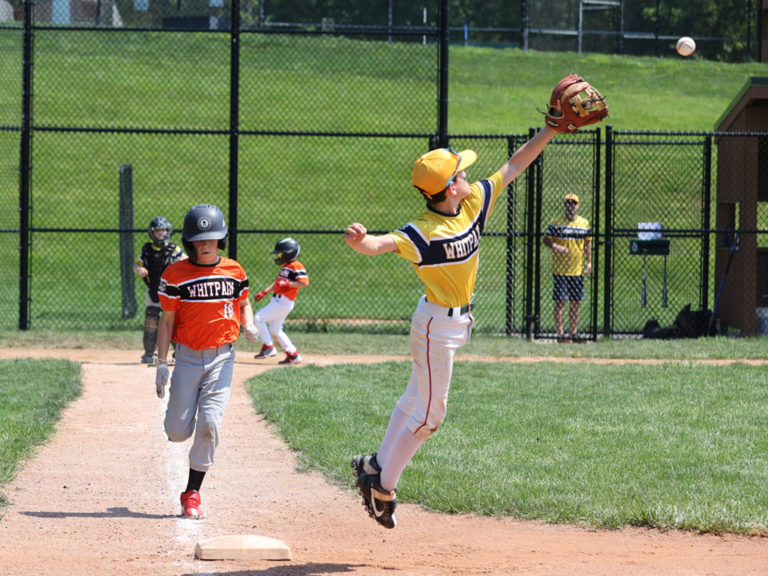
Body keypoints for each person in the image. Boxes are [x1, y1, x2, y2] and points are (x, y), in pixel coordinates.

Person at [343, 125, 558, 529]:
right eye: (459, 174)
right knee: (430, 416)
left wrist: (550, 129)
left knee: (414, 398)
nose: (466, 177)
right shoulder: (423, 231)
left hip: (455, 324)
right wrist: (361, 241)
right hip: (434, 328)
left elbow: (514, 164)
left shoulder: (474, 201)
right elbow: (381, 244)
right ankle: (382, 487)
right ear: (447, 188)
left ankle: (373, 464)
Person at [154, 203, 258, 519]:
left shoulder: (234, 271)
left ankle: (192, 493)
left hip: (222, 358)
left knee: (210, 424)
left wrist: (249, 323)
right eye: (199, 240)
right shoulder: (175, 275)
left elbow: (244, 303)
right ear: (189, 243)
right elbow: (167, 321)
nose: (205, 245)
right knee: (177, 432)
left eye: (211, 239)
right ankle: (180, 426)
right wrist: (161, 362)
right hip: (186, 358)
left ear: (220, 240)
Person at [133, 216, 185, 364]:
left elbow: (185, 260)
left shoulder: (174, 248)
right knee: (151, 320)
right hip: (153, 290)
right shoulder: (147, 249)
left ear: (168, 231)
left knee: (173, 322)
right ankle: (149, 354)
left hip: (171, 292)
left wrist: (178, 264)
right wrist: (139, 269)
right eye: (157, 231)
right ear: (152, 233)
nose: (160, 233)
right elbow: (136, 264)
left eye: (163, 230)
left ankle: (179, 353)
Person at [542, 193, 592, 343]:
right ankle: (561, 334)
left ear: (578, 206)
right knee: (560, 302)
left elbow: (588, 244)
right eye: (568, 203)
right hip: (560, 270)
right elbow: (546, 239)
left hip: (577, 270)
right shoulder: (556, 223)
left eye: (573, 203)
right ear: (564, 205)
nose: (570, 206)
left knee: (575, 302)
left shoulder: (584, 224)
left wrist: (589, 262)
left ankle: (573, 333)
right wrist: (556, 247)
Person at [252, 237, 309, 365]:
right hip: (277, 301)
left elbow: (304, 283)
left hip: (284, 302)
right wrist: (265, 292)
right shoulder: (286, 266)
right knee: (276, 330)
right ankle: (293, 354)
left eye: (281, 253)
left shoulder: (296, 266)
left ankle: (268, 347)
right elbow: (278, 282)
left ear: (289, 253)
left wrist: (289, 283)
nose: (279, 256)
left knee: (258, 318)